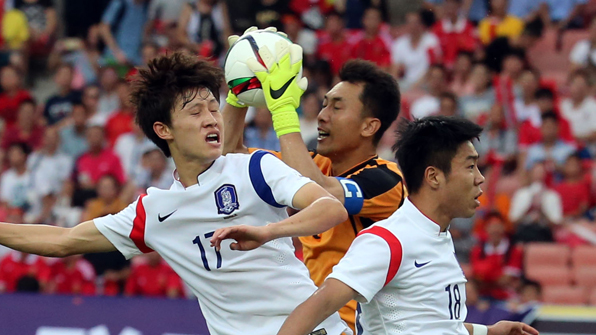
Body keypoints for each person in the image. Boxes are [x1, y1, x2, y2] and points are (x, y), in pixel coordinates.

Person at [0, 52, 349, 335]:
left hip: (315, 330)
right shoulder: (155, 212)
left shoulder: (255, 167)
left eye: (214, 108)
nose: (211, 119)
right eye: (195, 111)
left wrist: (267, 232)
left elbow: (330, 208)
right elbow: (64, 241)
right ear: (163, 129)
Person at [265, 116, 539, 335]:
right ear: (433, 177)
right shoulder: (387, 241)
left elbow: (431, 323)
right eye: (470, 167)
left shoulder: (437, 234)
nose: (480, 179)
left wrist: (488, 331)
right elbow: (316, 307)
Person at [223, 28, 405, 332]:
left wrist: (282, 110)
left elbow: (319, 191)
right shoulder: (313, 162)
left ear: (369, 126)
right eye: (324, 104)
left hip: (358, 328)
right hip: (312, 323)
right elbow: (229, 154)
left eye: (337, 107)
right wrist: (240, 88)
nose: (322, 115)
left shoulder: (387, 179)